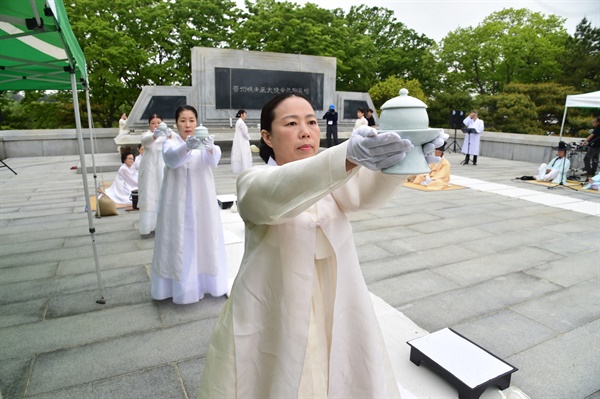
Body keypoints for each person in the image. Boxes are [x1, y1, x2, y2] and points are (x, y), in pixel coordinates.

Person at [198, 92, 447, 397]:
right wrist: (347, 156)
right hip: (276, 307)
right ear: (268, 137)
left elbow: (366, 193)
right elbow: (278, 191)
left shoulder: (331, 178)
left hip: (336, 299)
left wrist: (408, 157)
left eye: (312, 122)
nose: (306, 131)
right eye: (291, 123)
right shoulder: (253, 181)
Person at [151, 105, 227, 304]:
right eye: (183, 120)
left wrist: (209, 146)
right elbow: (171, 160)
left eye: (192, 120)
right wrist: (188, 146)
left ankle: (205, 283)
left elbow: (213, 161)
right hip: (176, 201)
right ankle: (178, 287)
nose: (188, 124)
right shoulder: (170, 141)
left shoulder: (203, 140)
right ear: (176, 123)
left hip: (201, 200)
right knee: (177, 240)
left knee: (204, 237)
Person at [138, 114, 173, 236]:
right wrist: (155, 135)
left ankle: (163, 225)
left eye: (158, 122)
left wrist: (169, 136)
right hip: (150, 168)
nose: (156, 125)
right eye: (153, 123)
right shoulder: (146, 135)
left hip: (162, 166)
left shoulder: (167, 134)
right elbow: (145, 141)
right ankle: (148, 226)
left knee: (163, 192)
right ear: (149, 125)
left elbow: (176, 143)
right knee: (149, 193)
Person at [231, 109, 253, 174]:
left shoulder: (238, 122)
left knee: (239, 152)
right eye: (244, 114)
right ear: (241, 114)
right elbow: (244, 133)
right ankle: (244, 166)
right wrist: (248, 137)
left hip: (238, 139)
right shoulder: (241, 123)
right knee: (244, 152)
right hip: (242, 140)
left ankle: (239, 167)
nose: (245, 116)